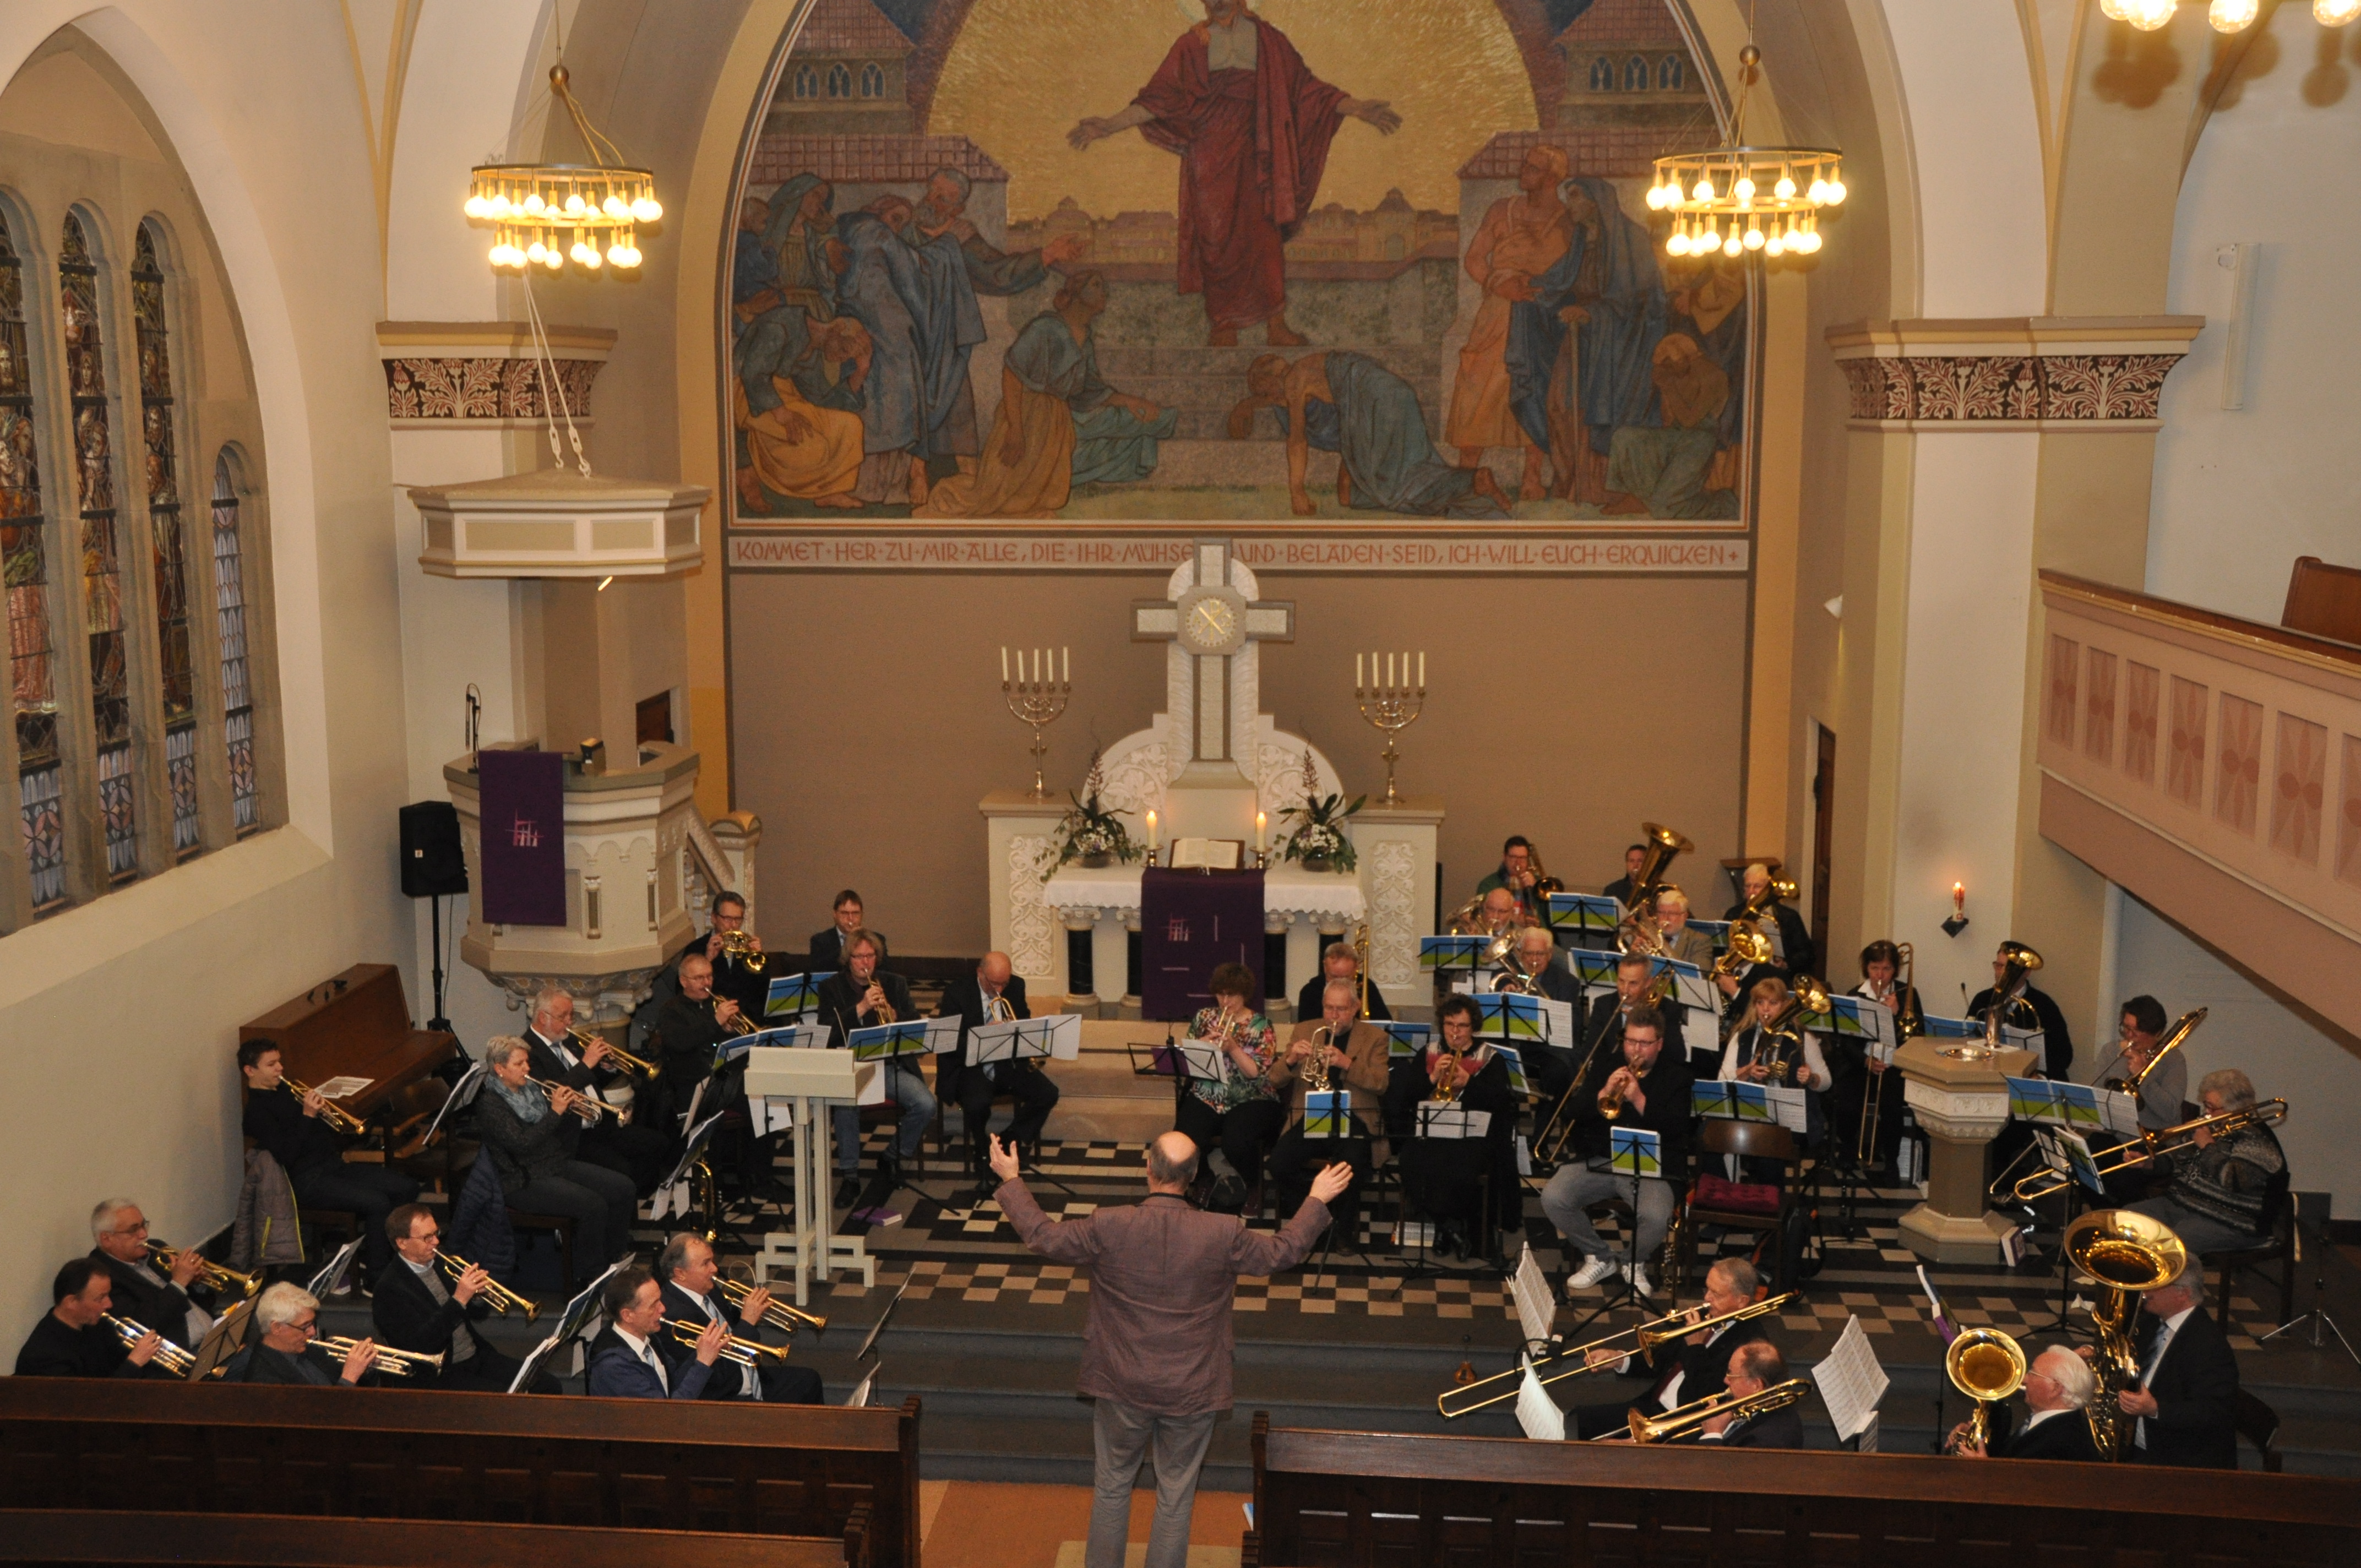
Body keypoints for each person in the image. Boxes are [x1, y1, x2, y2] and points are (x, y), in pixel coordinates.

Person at [992, 1129, 1348, 1568]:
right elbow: (1282, 1252)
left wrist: (1011, 1179)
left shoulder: (1110, 1223)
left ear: (1148, 1169)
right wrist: (1316, 1199)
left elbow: (1043, 1236)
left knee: (1112, 1488)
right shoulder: (1223, 1232)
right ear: (1195, 1177)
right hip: (1192, 1387)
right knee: (1176, 1496)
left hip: (1120, 1383)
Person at [1068, 0, 1400, 349]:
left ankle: (1276, 325)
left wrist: (1358, 108)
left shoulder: (1268, 40)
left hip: (1259, 151)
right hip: (1210, 155)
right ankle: (1224, 323)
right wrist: (1108, 126)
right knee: (1215, 236)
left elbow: (1307, 90)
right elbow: (1156, 101)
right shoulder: (1190, 45)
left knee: (1263, 234)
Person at [916, 271, 1174, 518]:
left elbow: (1090, 390)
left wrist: (1132, 401)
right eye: (1096, 286)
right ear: (1076, 293)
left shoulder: (1085, 338)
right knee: (1000, 495)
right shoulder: (1046, 328)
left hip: (1058, 419)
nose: (1104, 291)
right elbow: (1012, 375)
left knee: (1147, 423)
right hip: (1027, 414)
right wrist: (1016, 430)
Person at [1232, 351, 1508, 519]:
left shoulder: (1295, 382)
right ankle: (1467, 484)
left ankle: (1471, 481)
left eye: (1268, 393)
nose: (1275, 400)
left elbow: (1297, 440)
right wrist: (1247, 406)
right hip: (1397, 397)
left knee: (1391, 489)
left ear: (1273, 382)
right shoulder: (1308, 370)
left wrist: (1296, 491)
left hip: (1378, 405)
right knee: (1350, 496)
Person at [1448, 143, 1575, 501]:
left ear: (1551, 178)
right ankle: (1465, 476)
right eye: (1525, 165)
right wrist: (1497, 282)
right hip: (1497, 316)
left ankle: (1532, 479)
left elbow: (1574, 275)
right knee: (1478, 390)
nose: (1523, 171)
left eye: (1533, 168)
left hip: (1540, 319)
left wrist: (1546, 293)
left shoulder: (1568, 222)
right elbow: (1474, 259)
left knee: (1534, 390)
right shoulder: (1502, 210)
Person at [238, 1041, 418, 1290]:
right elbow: (288, 1154)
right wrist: (308, 1116)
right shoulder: (256, 1113)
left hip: (333, 1167)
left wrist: (325, 1115)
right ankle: (377, 1276)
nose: (280, 1068)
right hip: (305, 1180)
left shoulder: (288, 1092)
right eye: (271, 1065)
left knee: (406, 1187)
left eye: (279, 1061)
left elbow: (321, 1135)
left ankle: (391, 1257)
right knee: (377, 1203)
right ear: (250, 1071)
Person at [1543, 1005, 1692, 1299]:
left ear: (1659, 1044)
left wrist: (1638, 1099)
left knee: (1656, 1215)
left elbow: (1678, 1129)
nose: (1636, 1050)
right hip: (1604, 1160)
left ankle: (1632, 1261)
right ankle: (1599, 1256)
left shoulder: (1678, 1076)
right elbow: (1575, 1112)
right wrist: (1601, 1094)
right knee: (1553, 1197)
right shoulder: (1607, 1064)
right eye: (1630, 1041)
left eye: (1644, 1043)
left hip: (1652, 1167)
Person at [474, 1036, 638, 1286]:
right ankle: (591, 1275)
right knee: (593, 1206)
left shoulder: (530, 1089)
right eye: (519, 1064)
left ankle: (615, 1255)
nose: (527, 1068)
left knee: (623, 1188)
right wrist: (556, 1112)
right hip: (521, 1179)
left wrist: (567, 1106)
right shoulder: (491, 1105)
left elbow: (550, 1133)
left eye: (527, 1062)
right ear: (500, 1069)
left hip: (553, 1163)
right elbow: (523, 1143)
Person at [1570, 1259, 1771, 1440]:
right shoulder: (1709, 1315)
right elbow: (1660, 1361)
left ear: (1742, 1301)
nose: (1707, 1299)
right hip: (1651, 1408)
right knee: (1576, 1421)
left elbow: (1710, 1395)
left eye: (1716, 1294)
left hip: (1680, 1425)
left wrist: (1696, 1346)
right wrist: (1618, 1359)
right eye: (1707, 1290)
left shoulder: (1750, 1346)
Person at [1385, 994, 1517, 1262]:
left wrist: (1469, 1082)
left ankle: (1454, 1225)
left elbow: (1500, 1104)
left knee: (1460, 1168)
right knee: (1411, 1161)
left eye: (1462, 1026)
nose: (1454, 1032)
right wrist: (1432, 1078)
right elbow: (1408, 1099)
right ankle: (1447, 1227)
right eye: (1449, 1024)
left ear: (1474, 1028)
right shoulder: (1429, 1053)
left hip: (1472, 1136)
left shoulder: (1491, 1058)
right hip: (1433, 1131)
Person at [372, 1204, 552, 1393]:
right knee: (509, 1401)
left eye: (436, 1233)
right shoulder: (389, 1289)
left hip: (474, 1355)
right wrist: (459, 1299)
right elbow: (421, 1344)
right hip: (441, 1372)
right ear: (402, 1243)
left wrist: (477, 1297)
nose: (436, 1242)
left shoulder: (441, 1262)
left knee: (547, 1385)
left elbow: (476, 1314)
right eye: (427, 1237)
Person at [1264, 979, 1390, 1242]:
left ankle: (1344, 1229)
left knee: (1351, 1165)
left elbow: (1380, 1084)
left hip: (1355, 1117)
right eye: (1329, 1008)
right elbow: (1274, 1080)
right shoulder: (1305, 1029)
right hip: (1312, 1115)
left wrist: (1346, 1063)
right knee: (1279, 1163)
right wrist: (1290, 1060)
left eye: (1341, 1009)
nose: (1334, 1015)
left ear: (1355, 1008)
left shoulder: (1375, 1038)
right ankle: (1317, 1214)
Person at [817, 929, 935, 1198]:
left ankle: (893, 1155)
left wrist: (897, 1015)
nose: (865, 963)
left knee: (926, 1104)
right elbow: (826, 1032)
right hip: (853, 1068)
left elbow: (916, 1024)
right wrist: (859, 1009)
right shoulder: (831, 988)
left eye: (870, 956)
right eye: (859, 957)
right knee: (846, 1106)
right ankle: (850, 1174)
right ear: (848, 959)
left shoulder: (894, 983)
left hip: (890, 1066)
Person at [521, 986, 673, 1194]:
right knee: (622, 1170)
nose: (569, 1022)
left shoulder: (568, 1040)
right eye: (562, 1016)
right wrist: (587, 1064)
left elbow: (588, 1083)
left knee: (657, 1143)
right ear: (542, 1017)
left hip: (600, 1124)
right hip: (572, 1136)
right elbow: (553, 1092)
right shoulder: (527, 1052)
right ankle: (622, 1206)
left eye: (571, 1015)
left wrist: (608, 1069)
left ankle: (636, 1200)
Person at [2127, 1069, 2286, 1255]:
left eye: (2212, 1108)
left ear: (2235, 1108)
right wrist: (2150, 1164)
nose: (2206, 1113)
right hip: (2185, 1204)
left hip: (2232, 1220)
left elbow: (2233, 1181)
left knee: (2169, 1247)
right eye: (2206, 1105)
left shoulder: (2256, 1139)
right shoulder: (2212, 1126)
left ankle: (2173, 1284)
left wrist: (2208, 1146)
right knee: (2129, 1222)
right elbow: (2178, 1162)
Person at [934, 951, 1060, 1185]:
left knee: (1048, 1093)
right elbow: (948, 1042)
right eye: (994, 984)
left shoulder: (1016, 987)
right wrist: (983, 1035)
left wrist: (1012, 1029)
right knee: (976, 1104)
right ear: (980, 973)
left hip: (1006, 1062)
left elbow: (1023, 1023)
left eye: (1005, 983)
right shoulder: (957, 992)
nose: (1000, 990)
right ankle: (983, 1153)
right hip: (970, 1066)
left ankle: (1006, 1141)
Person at [656, 1233, 823, 1404]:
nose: (714, 1268)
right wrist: (748, 1322)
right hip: (726, 1394)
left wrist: (745, 1309)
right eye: (705, 1264)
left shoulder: (708, 1289)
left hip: (748, 1375)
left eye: (712, 1261)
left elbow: (730, 1325)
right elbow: (717, 1377)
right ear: (680, 1274)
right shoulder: (673, 1316)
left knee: (809, 1381)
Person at [1173, 961, 1284, 1202]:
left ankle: (1255, 1185)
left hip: (1250, 1096)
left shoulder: (1261, 1026)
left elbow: (1255, 1073)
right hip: (1208, 1092)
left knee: (1236, 1143)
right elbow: (1189, 1058)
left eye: (1232, 995)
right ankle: (1204, 1178)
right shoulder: (1204, 1017)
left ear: (1244, 994)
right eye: (1221, 995)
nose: (1225, 1002)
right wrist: (1205, 1042)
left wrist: (1233, 1047)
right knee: (1183, 1139)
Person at [2117, 1262, 2239, 1468]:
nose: (2146, 1289)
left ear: (2182, 1294)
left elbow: (2214, 1412)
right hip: (2141, 1448)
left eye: (2157, 1284)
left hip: (2182, 1462)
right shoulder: (2151, 1323)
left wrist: (2155, 1409)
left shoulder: (2209, 1345)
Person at [1719, 975, 1832, 1148]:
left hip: (1789, 1116)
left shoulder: (1803, 1037)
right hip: (1750, 1110)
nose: (1765, 1010)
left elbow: (1826, 1081)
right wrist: (1747, 1072)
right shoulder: (1742, 1035)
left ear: (1785, 1005)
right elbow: (1722, 1080)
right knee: (1709, 1132)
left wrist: (1810, 1078)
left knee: (1769, 1140)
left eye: (1773, 1003)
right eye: (1760, 1003)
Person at [86, 1199, 213, 1348]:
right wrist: (179, 1283)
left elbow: (205, 1302)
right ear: (107, 1239)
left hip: (213, 1332)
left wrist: (197, 1283)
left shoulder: (156, 1249)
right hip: (185, 1354)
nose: (144, 1234)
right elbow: (143, 1326)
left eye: (144, 1225)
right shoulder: (101, 1277)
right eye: (133, 1230)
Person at [586, 1267, 727, 1400]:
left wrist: (701, 1351)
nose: (663, 1308)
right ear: (628, 1315)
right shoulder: (614, 1367)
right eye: (653, 1305)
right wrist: (703, 1363)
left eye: (660, 1300)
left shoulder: (648, 1337)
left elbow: (673, 1384)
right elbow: (664, 1414)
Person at [1836, 940, 1917, 1173]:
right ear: (1866, 969)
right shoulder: (1855, 994)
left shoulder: (1908, 994)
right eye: (1875, 968)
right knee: (1847, 1105)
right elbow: (1846, 1040)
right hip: (1861, 1063)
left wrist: (1897, 1013)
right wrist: (1866, 1061)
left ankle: (1891, 1159)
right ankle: (1848, 1149)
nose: (1880, 975)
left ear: (1896, 970)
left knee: (1892, 1109)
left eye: (1887, 969)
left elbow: (1914, 1038)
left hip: (1894, 1065)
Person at [15, 1258, 170, 1378]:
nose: (109, 1304)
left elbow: (117, 1362)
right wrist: (135, 1362)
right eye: (100, 1298)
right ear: (72, 1302)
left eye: (108, 1295)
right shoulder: (45, 1355)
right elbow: (88, 1406)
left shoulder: (96, 1324)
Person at [1948, 1344, 2099, 1461]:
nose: (2025, 1379)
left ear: (2055, 1388)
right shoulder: (2053, 1423)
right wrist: (1975, 1436)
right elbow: (2009, 1455)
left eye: (2033, 1373)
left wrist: (1984, 1472)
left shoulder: (2065, 1441)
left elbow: (2026, 1491)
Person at [221, 1282, 375, 1385]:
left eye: (312, 1323)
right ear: (276, 1328)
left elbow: (345, 1381)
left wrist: (365, 1367)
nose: (313, 1332)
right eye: (305, 1326)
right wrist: (349, 1377)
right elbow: (319, 1421)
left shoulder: (308, 1349)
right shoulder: (263, 1379)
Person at [1966, 940, 2074, 1079]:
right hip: (1988, 1076)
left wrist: (2040, 1076)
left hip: (2029, 1080)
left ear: (2027, 972)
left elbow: (2064, 1055)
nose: (2000, 973)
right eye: (1998, 966)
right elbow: (1967, 1041)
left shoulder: (2045, 1006)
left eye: (2006, 968)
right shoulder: (1983, 999)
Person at [2087, 995, 2187, 1135]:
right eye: (2126, 1027)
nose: (2129, 1035)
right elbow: (2096, 1096)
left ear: (2157, 1033)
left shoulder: (2174, 1059)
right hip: (2115, 1134)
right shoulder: (2110, 1051)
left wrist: (2143, 1075)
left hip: (2152, 1136)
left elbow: (2169, 1112)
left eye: (2137, 1031)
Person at [1695, 1341, 1803, 1447]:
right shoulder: (1742, 1404)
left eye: (1731, 1374)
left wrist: (1713, 1433)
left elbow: (1722, 1465)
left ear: (1756, 1386)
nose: (1726, 1380)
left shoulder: (1771, 1438)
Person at [1721, 863, 1813, 981]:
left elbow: (1806, 954)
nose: (1751, 891)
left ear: (1768, 888)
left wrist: (1786, 963)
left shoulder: (1788, 916)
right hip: (1743, 976)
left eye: (1757, 886)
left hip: (1777, 978)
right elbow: (1722, 947)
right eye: (1747, 886)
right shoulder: (1733, 914)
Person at [689, 891, 771, 1013]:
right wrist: (707, 960)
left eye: (738, 919)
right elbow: (685, 992)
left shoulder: (748, 947)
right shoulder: (696, 948)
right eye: (727, 919)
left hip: (747, 1015)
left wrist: (759, 959)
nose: (733, 925)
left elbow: (764, 991)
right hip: (712, 1017)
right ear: (714, 918)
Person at [1291, 939, 1392, 1024]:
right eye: (1333, 977)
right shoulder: (1310, 992)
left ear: (1356, 968)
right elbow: (1306, 1029)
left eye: (1345, 978)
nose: (1339, 983)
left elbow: (1384, 1025)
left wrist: (1358, 1010)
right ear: (1325, 967)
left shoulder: (1367, 986)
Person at [1474, 836, 1543, 924]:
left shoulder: (1538, 883)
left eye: (1523, 858)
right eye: (1513, 857)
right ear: (1504, 857)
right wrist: (1515, 920)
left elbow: (1547, 915)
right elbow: (1483, 917)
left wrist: (1535, 890)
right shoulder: (1488, 884)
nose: (1518, 863)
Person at [808, 889, 874, 971]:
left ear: (862, 914)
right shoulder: (819, 941)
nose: (851, 918)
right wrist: (850, 943)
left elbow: (886, 974)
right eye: (845, 913)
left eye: (855, 913)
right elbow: (818, 969)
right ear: (835, 914)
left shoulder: (877, 939)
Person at [1652, 888, 1715, 970]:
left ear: (1684, 916)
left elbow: (1701, 975)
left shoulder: (1700, 941)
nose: (1666, 918)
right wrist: (1634, 954)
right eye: (1662, 913)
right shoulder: (1648, 938)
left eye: (1672, 913)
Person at [1603, 843, 1647, 910]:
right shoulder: (1612, 891)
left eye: (1640, 861)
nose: (1635, 866)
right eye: (1631, 861)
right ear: (1626, 864)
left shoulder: (1660, 891)